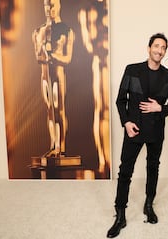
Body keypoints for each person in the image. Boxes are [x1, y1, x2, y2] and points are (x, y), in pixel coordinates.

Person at [107, 33, 168, 238]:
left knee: (152, 167)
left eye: (163, 47)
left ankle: (149, 205)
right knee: (125, 172)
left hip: (156, 132)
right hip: (134, 129)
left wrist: (159, 108)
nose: (159, 50)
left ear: (165, 51)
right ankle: (120, 215)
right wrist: (126, 123)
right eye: (156, 46)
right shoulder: (132, 70)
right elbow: (121, 101)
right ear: (149, 48)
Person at [32, 0, 74, 157]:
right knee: (49, 111)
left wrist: (51, 55)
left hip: (58, 75)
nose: (50, 9)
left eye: (53, 5)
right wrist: (45, 54)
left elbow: (67, 58)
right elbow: (37, 56)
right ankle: (53, 145)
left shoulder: (67, 31)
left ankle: (60, 147)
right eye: (47, 6)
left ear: (59, 6)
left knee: (59, 110)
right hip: (44, 76)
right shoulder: (38, 31)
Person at [78, 0, 110, 175]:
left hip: (111, 61)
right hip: (100, 62)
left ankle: (109, 160)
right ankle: (103, 160)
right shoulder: (88, 10)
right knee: (101, 110)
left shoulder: (105, 9)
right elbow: (89, 44)